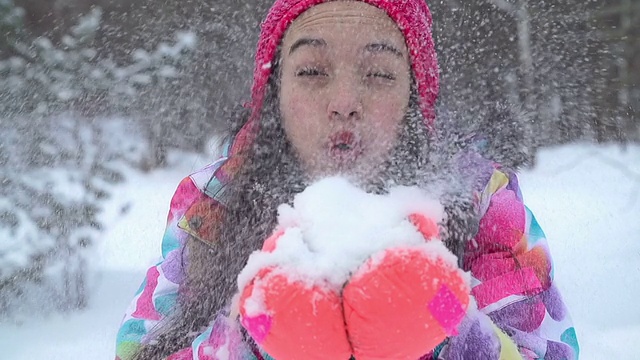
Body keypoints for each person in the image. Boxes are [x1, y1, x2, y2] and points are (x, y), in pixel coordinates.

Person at [115, 0, 579, 359]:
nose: (344, 101)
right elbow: (141, 349)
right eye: (312, 71)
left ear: (415, 96)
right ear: (275, 91)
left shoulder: (478, 198)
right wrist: (255, 340)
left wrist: (438, 325)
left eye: (378, 73)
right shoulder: (215, 200)